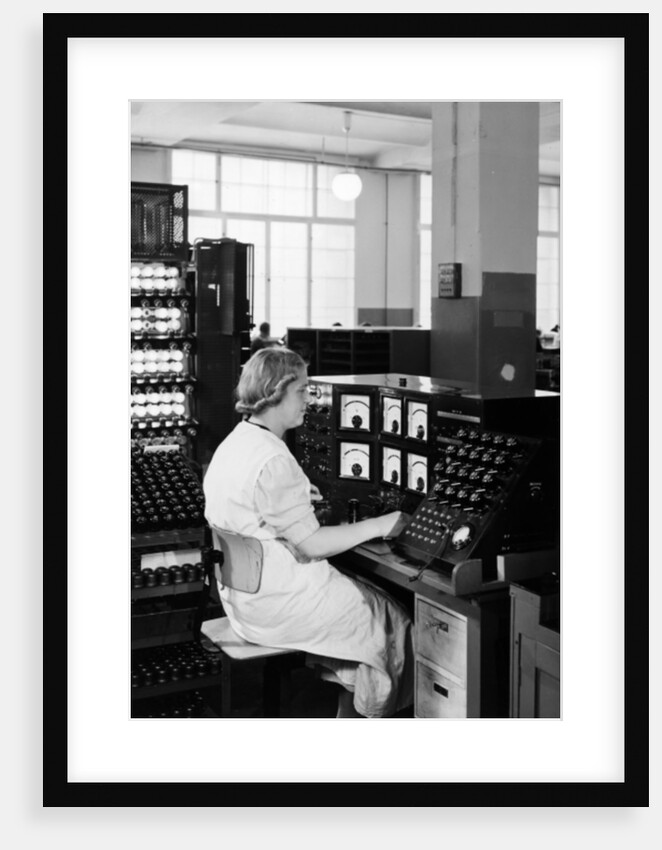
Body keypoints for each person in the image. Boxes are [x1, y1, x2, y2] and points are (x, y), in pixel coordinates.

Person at [203, 347, 414, 718]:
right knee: (390, 618)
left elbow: (256, 508)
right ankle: (372, 719)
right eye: (302, 390)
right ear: (276, 391)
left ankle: (346, 713)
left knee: (363, 604)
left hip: (241, 599)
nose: (308, 399)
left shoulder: (236, 442)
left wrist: (298, 497)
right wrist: (381, 524)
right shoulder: (273, 458)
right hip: (274, 606)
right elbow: (312, 544)